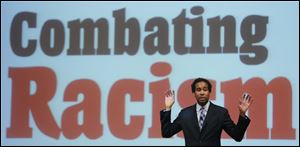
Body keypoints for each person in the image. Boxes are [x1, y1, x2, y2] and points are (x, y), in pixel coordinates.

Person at [160, 77, 254, 146]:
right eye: (198, 90)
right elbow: (167, 133)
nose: (202, 92)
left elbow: (237, 136)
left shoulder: (221, 113)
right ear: (194, 93)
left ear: (209, 92)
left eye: (205, 89)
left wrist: (242, 114)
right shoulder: (185, 113)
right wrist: (168, 108)